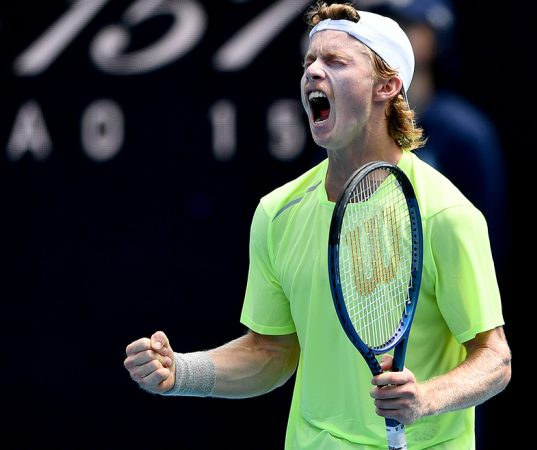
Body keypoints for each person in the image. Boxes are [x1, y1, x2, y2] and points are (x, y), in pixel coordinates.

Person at [123, 2, 511, 449]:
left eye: (336, 61)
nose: (313, 72)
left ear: (387, 85)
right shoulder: (277, 213)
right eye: (309, 61)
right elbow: (270, 352)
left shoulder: (445, 214)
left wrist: (424, 398)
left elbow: (494, 359)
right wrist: (182, 372)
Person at [360, 0, 508, 270]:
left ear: (434, 39)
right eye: (390, 26)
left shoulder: (467, 134)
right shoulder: (353, 128)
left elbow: (484, 239)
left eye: (408, 26)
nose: (397, 37)